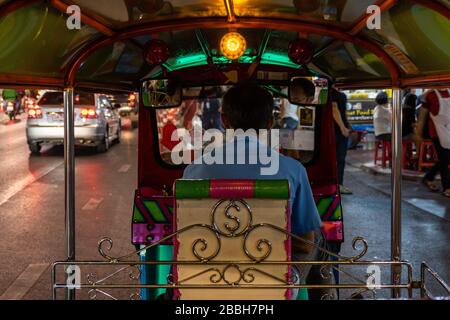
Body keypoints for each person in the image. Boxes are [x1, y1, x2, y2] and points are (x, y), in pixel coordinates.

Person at [183, 84, 336, 300]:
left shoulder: (194, 169)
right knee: (318, 237)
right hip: (274, 278)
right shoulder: (293, 170)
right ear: (270, 123)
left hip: (209, 274)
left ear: (224, 121)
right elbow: (304, 239)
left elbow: (190, 232)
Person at [416, 89, 450, 197]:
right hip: (436, 132)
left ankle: (429, 177)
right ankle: (447, 188)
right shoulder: (429, 95)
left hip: (449, 129)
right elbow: (421, 117)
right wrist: (418, 134)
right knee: (445, 157)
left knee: (446, 157)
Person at [332, 86, 352, 195]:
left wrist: (347, 124)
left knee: (335, 158)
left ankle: (334, 184)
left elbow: (340, 111)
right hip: (338, 132)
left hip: (333, 130)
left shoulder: (328, 93)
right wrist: (343, 127)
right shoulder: (335, 94)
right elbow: (334, 109)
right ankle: (338, 185)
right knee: (340, 159)